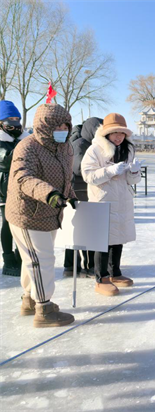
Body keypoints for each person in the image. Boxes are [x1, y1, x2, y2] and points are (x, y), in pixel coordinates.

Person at [6, 103, 77, 327]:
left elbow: (66, 178)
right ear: (45, 126)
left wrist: (71, 195)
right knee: (40, 261)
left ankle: (30, 300)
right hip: (27, 213)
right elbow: (23, 177)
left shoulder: (65, 147)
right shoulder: (27, 147)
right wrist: (49, 194)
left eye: (66, 126)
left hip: (52, 212)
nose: (63, 130)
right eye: (59, 126)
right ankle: (44, 309)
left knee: (34, 260)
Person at [81, 114, 141, 296]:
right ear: (105, 133)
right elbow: (88, 175)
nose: (118, 136)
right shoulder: (95, 150)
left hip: (122, 200)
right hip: (102, 200)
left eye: (121, 133)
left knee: (118, 237)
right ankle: (101, 278)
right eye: (114, 132)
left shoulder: (128, 150)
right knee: (103, 241)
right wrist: (110, 171)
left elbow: (132, 180)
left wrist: (135, 171)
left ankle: (115, 272)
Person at [64, 117, 103, 278]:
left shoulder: (95, 145)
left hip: (89, 192)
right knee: (79, 233)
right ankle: (75, 266)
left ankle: (83, 265)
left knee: (85, 231)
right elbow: (79, 168)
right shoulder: (80, 144)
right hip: (78, 192)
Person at [0, 101, 27, 277]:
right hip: (3, 188)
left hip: (22, 188)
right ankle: (8, 260)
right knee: (7, 223)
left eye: (17, 118)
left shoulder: (23, 138)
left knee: (21, 223)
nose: (15, 122)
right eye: (10, 119)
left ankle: (20, 256)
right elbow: (6, 158)